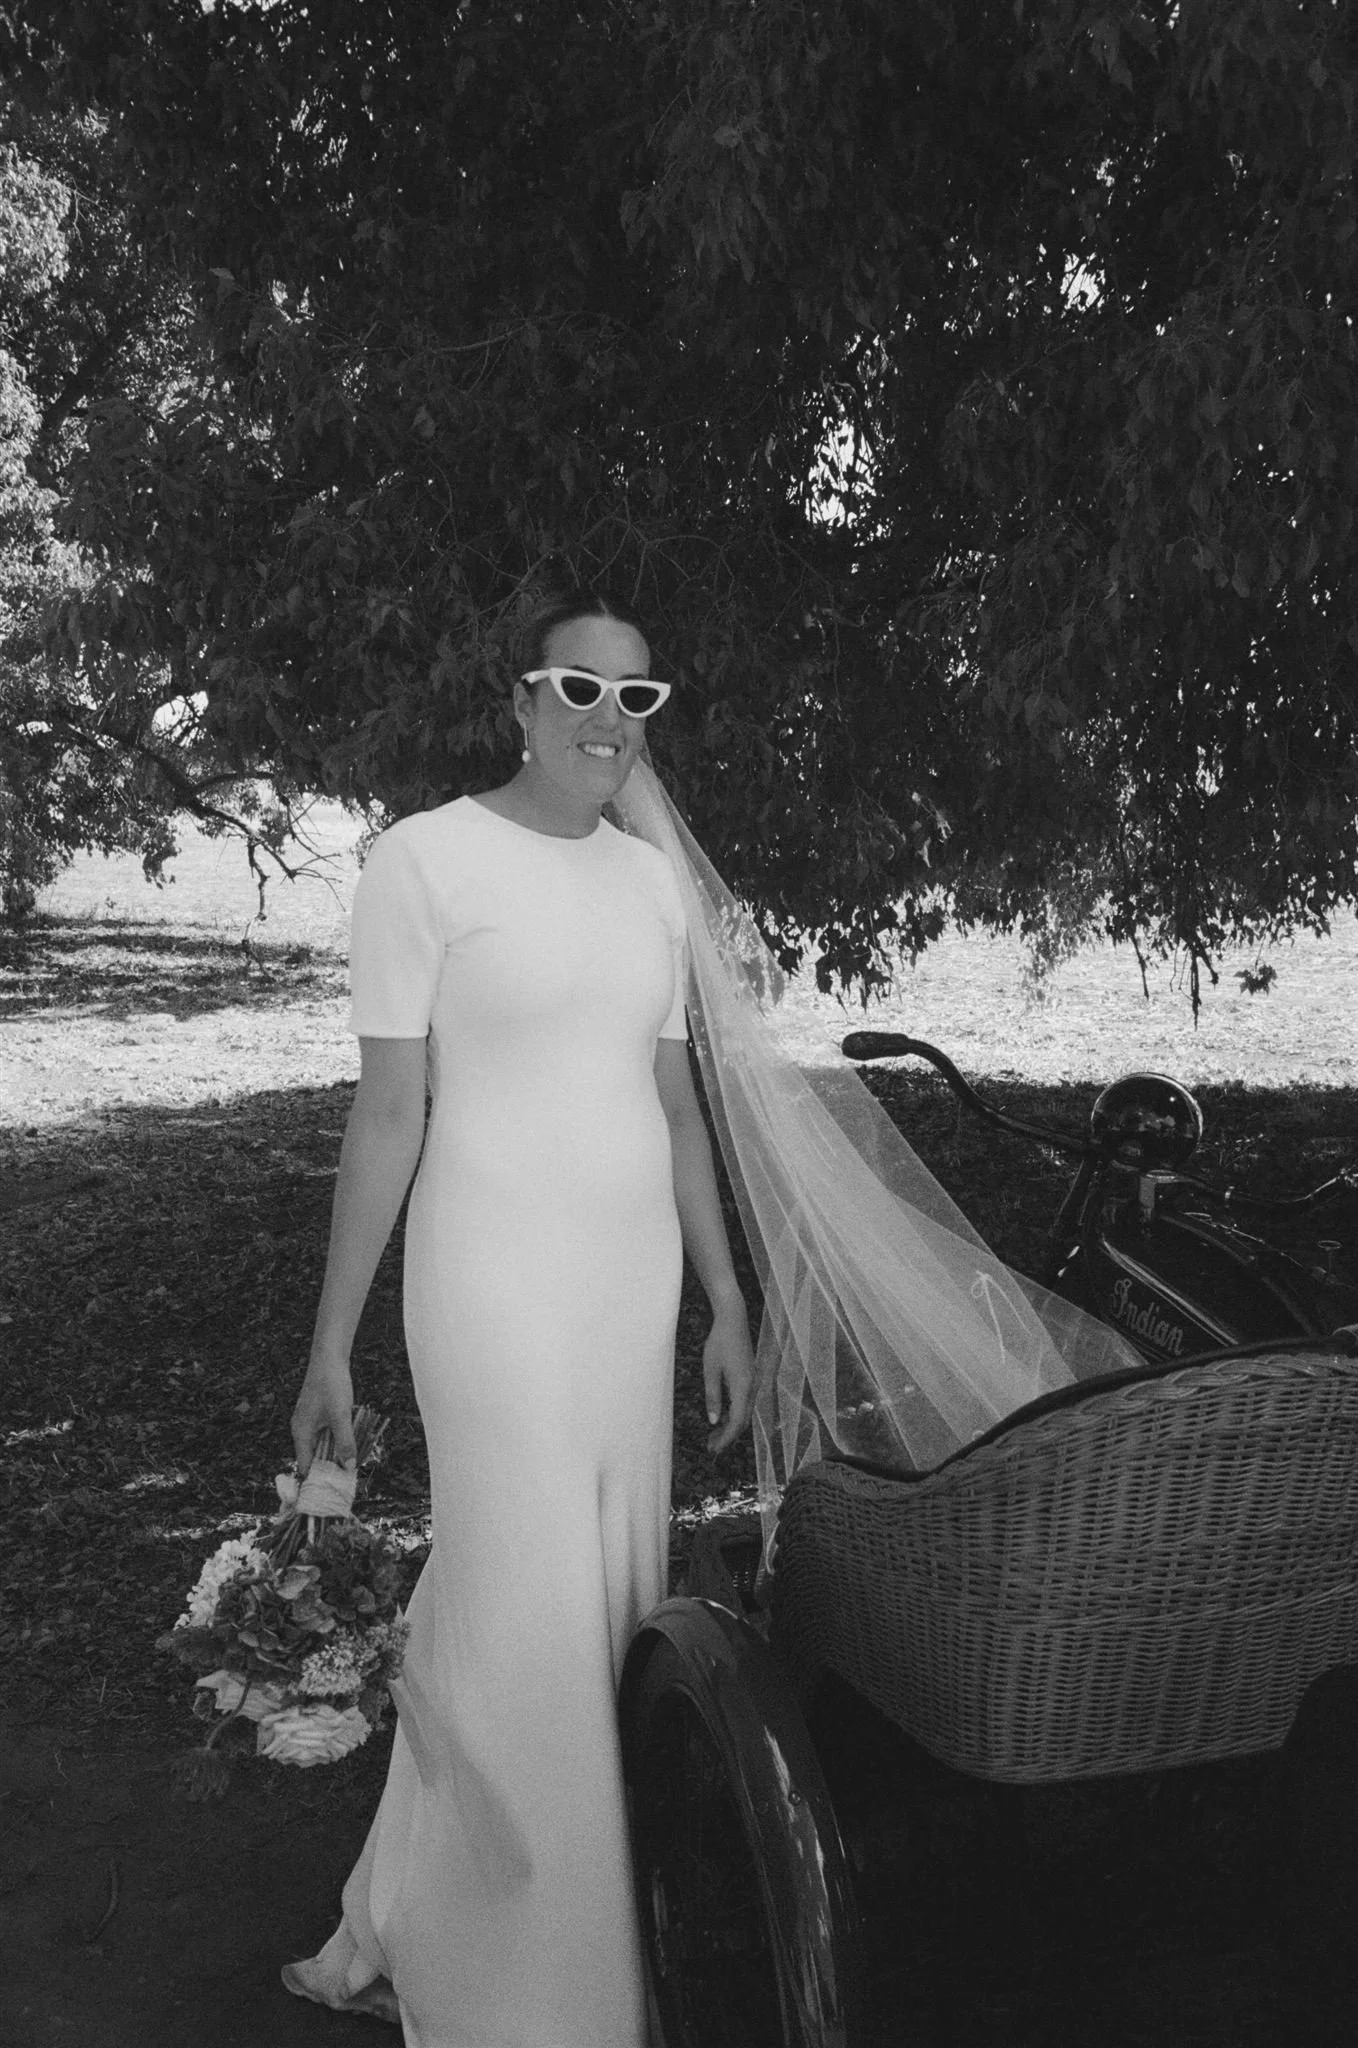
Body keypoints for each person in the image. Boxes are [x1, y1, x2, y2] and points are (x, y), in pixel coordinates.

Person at [281, 590, 757, 2046]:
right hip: (487, 1275)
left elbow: (674, 1103)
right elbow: (387, 1113)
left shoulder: (652, 885)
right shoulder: (422, 862)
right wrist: (329, 1346)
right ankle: (530, 1994)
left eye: (638, 698)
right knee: (522, 1594)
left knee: (597, 1597)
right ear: (519, 699)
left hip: (629, 1284)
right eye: (577, 688)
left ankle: (421, 1910)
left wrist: (727, 1294)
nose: (608, 719)